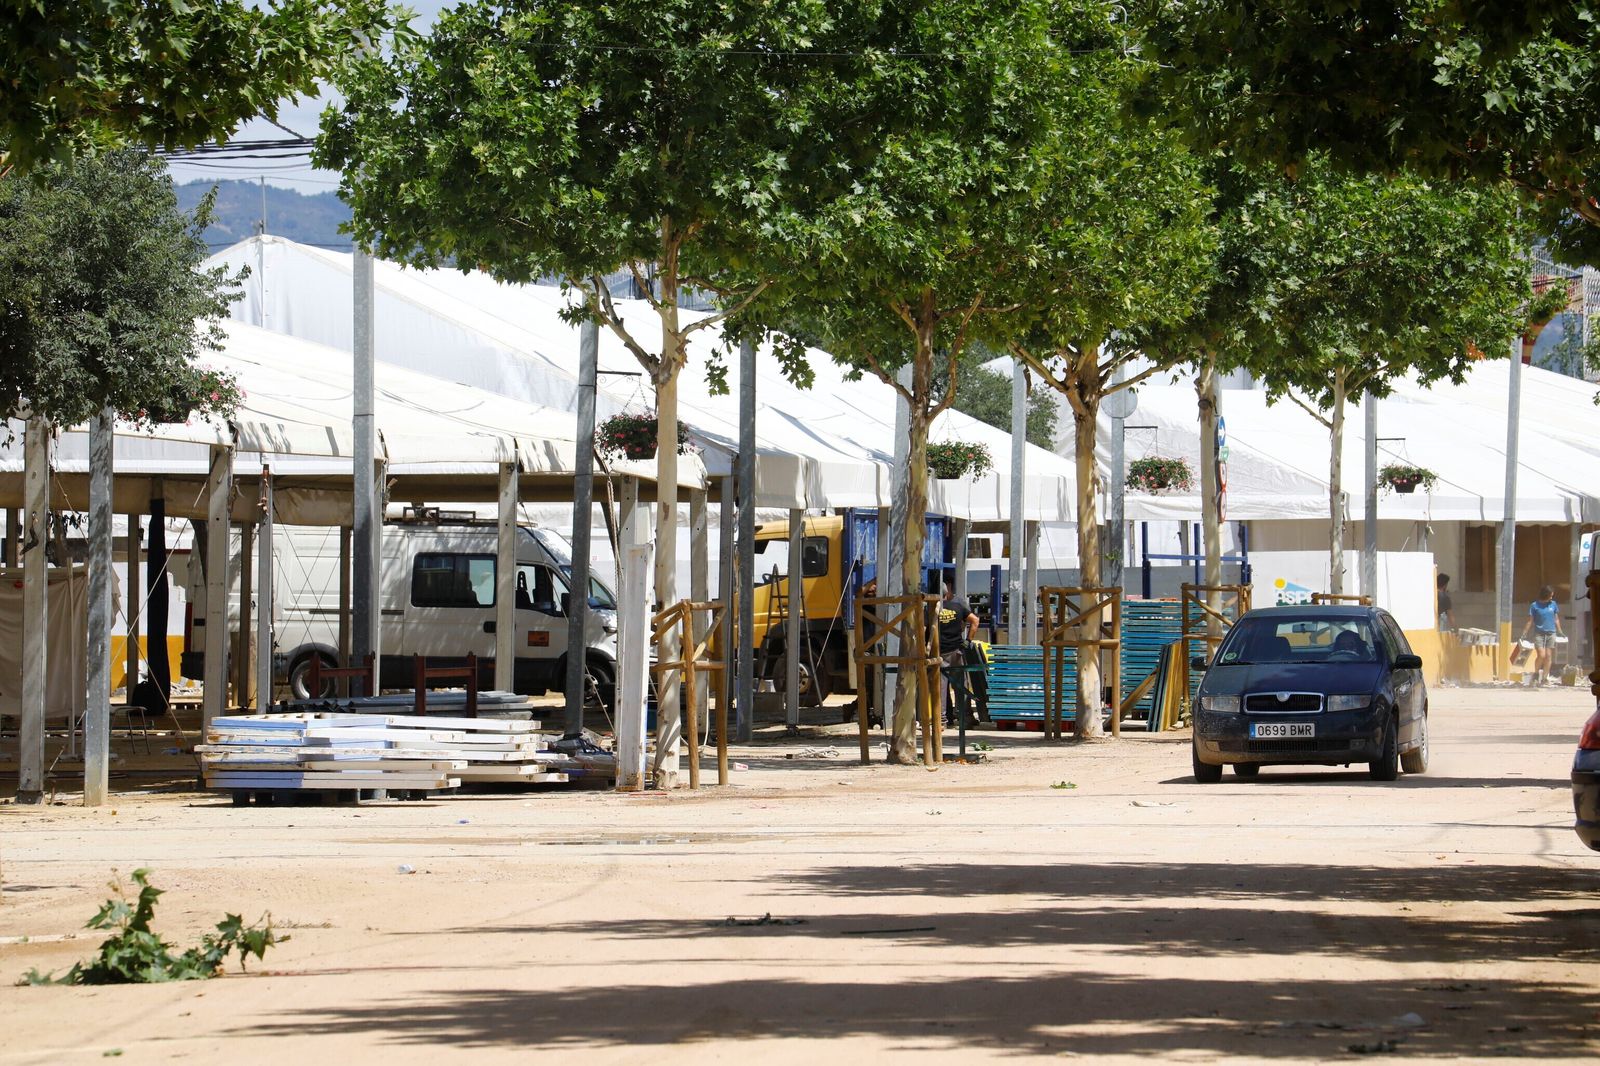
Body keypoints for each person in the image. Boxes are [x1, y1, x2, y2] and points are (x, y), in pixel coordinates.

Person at [936, 579, 979, 727]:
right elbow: (975, 621)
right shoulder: (958, 606)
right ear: (947, 592)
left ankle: (941, 721)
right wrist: (967, 642)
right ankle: (964, 717)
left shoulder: (931, 610)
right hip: (956, 652)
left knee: (940, 688)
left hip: (939, 653)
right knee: (960, 686)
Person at [1519, 584, 1564, 685]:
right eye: (1550, 595)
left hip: (1551, 633)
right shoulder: (1534, 606)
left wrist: (1560, 631)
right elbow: (1530, 621)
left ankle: (1544, 678)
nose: (1551, 597)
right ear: (1545, 594)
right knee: (1541, 655)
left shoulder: (1553, 604)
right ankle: (1535, 674)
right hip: (1539, 634)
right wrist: (1524, 633)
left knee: (1548, 656)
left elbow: (1556, 619)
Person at [1437, 573, 1457, 686]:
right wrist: (1455, 629)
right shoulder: (1445, 597)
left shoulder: (1432, 594)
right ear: (1444, 585)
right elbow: (1450, 615)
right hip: (1442, 626)